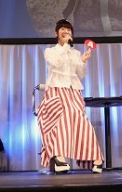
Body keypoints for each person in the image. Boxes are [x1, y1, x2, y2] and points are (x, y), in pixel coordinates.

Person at [36, 19, 103, 174]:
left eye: (68, 29)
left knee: (82, 121)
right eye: (63, 29)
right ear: (56, 33)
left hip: (73, 91)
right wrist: (66, 45)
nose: (66, 31)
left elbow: (80, 74)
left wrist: (83, 61)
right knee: (62, 120)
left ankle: (95, 157)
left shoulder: (76, 53)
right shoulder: (50, 51)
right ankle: (59, 157)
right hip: (56, 90)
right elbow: (56, 63)